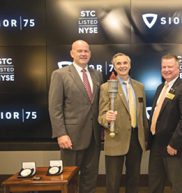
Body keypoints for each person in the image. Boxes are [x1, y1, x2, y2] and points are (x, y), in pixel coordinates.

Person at [48, 40, 103, 193]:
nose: (83, 54)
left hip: (94, 135)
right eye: (79, 51)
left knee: (90, 177)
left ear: (90, 54)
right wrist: (61, 134)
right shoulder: (60, 74)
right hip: (71, 137)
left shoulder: (97, 74)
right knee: (70, 177)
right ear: (72, 53)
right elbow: (55, 107)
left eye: (86, 51)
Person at [98, 53, 148, 193]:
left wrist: (146, 139)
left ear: (130, 65)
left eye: (125, 63)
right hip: (116, 138)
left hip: (136, 139)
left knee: (134, 180)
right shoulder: (106, 87)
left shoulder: (139, 86)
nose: (122, 66)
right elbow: (100, 116)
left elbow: (143, 115)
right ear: (113, 66)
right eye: (118, 64)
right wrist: (106, 118)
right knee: (113, 182)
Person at [148, 54, 182, 193]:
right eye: (164, 67)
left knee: (177, 186)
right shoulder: (160, 88)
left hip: (174, 147)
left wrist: (173, 144)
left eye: (170, 66)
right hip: (157, 144)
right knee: (154, 184)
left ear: (178, 68)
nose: (166, 70)